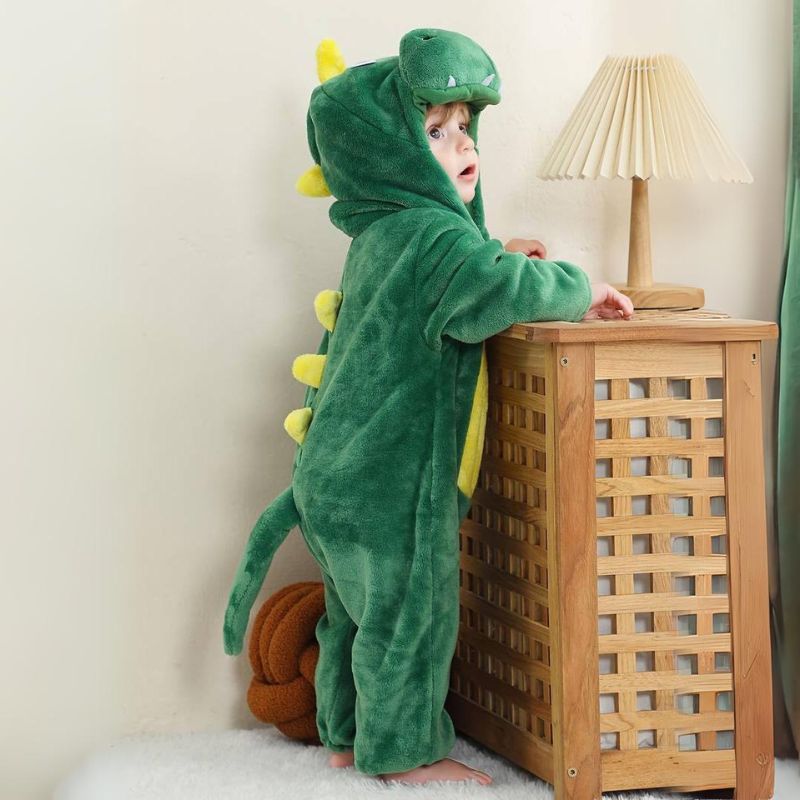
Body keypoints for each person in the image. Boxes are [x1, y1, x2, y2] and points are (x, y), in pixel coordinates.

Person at [223, 28, 632, 788]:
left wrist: (501, 248)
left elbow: (464, 277)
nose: (462, 141)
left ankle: (345, 734)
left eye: (464, 125)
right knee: (412, 617)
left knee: (352, 615)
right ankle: (403, 751)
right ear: (393, 154)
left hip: (330, 476)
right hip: (392, 489)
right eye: (436, 131)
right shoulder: (434, 238)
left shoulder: (386, 235)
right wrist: (583, 287)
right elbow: (498, 288)